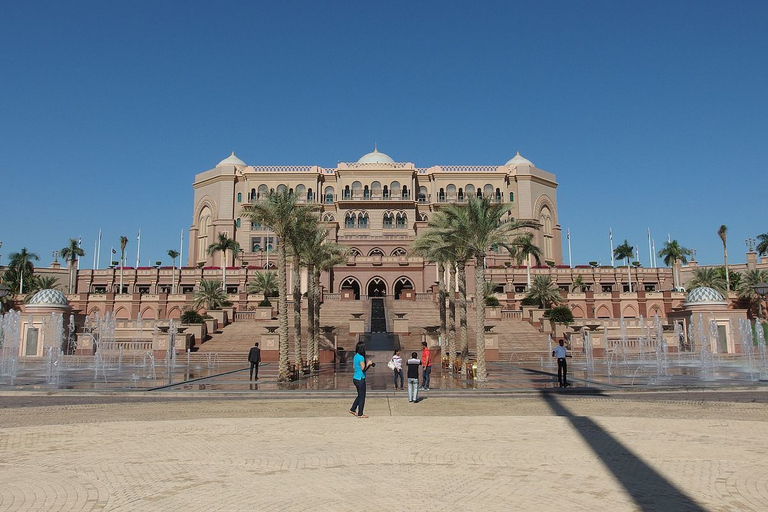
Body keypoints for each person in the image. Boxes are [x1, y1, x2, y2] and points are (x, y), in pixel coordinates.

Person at [349, 340, 374, 418]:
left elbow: (354, 367)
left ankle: (353, 409)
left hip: (355, 377)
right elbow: (363, 368)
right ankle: (360, 413)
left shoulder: (356, 356)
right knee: (362, 396)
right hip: (360, 378)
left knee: (360, 395)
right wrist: (369, 364)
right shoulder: (361, 357)